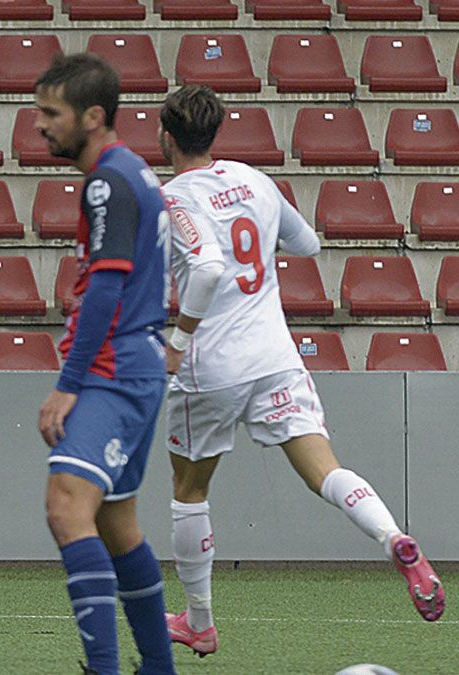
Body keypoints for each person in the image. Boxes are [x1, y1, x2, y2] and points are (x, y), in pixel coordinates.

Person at [158, 84, 445, 657]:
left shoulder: (171, 200)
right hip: (275, 355)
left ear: (164, 136)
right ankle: (394, 538)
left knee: (189, 491)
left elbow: (207, 272)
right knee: (324, 469)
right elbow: (308, 244)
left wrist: (176, 340)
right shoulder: (255, 181)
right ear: (215, 134)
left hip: (210, 364)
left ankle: (200, 621)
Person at [33, 54, 175, 675]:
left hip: (115, 368)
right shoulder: (137, 174)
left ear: (93, 116)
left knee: (67, 505)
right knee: (117, 524)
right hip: (141, 364)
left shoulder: (106, 182)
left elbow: (109, 288)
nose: (39, 125)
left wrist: (68, 386)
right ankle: (159, 668)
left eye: (50, 113)